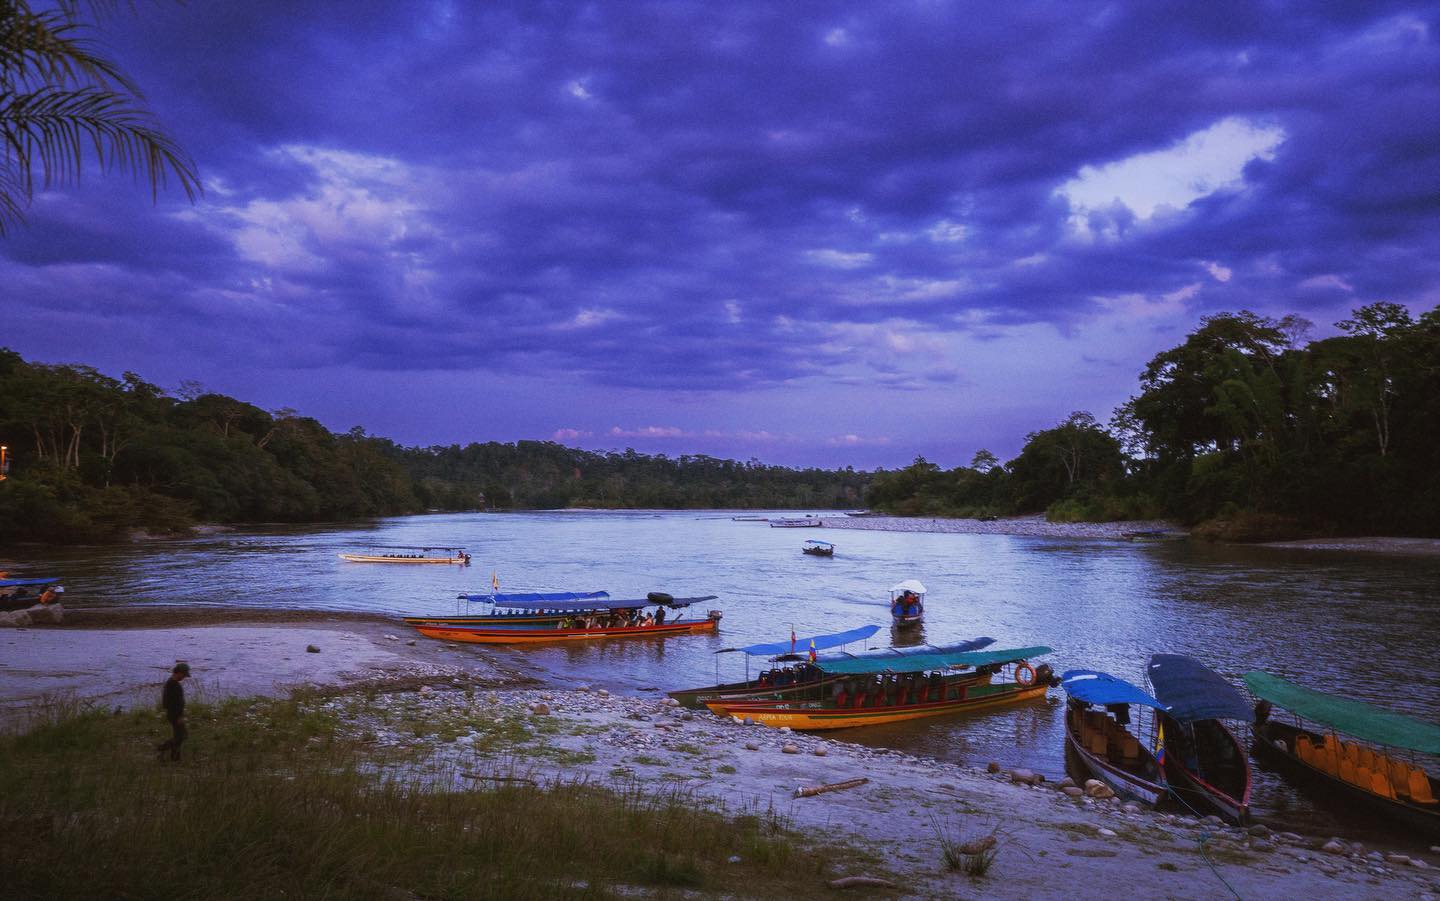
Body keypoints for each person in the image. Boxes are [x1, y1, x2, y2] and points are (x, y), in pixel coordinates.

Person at [156, 662, 191, 762]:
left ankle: (174, 757)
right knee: (181, 736)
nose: (184, 677)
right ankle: (163, 749)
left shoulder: (172, 683)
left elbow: (169, 703)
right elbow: (168, 703)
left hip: (175, 715)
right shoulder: (173, 685)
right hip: (175, 715)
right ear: (179, 672)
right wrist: (179, 716)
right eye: (184, 675)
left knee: (180, 736)